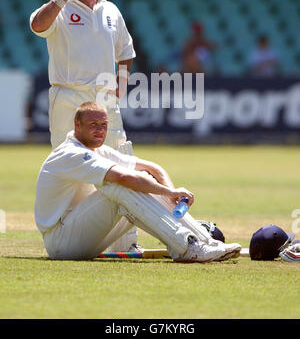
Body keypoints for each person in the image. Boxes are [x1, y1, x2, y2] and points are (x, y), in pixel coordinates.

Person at [34, 101, 242, 262]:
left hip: (81, 234)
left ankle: (204, 241)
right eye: (93, 125)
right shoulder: (70, 153)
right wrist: (168, 193)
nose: (100, 130)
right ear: (77, 125)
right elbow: (123, 177)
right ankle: (187, 247)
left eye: (104, 125)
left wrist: (169, 192)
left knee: (142, 181)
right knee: (120, 184)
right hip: (61, 241)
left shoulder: (96, 149)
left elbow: (152, 168)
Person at [30, 0, 138, 252]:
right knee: (72, 166)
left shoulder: (111, 10)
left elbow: (126, 52)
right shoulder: (59, 8)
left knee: (120, 159)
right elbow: (38, 26)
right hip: (68, 96)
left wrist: (123, 81)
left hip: (104, 99)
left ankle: (126, 242)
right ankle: (74, 235)